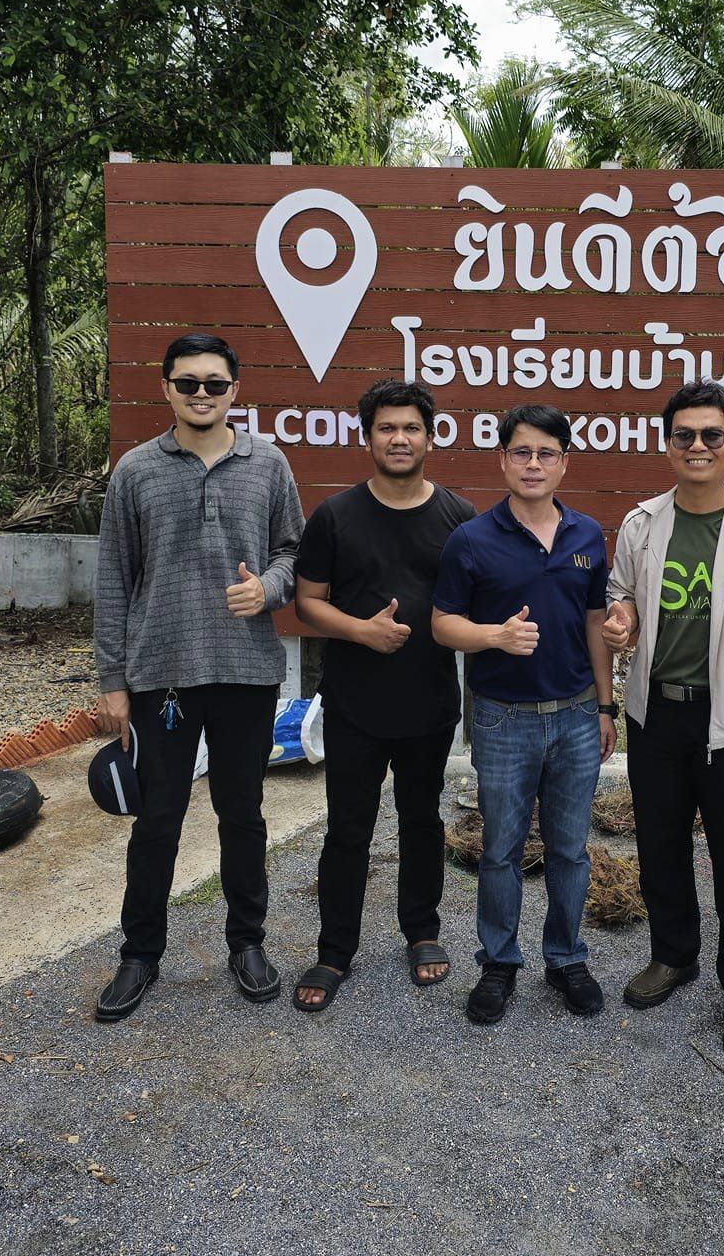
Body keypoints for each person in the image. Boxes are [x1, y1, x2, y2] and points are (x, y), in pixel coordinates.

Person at [92, 332, 304, 1023]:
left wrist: (269, 588)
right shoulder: (135, 472)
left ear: (235, 390)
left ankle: (248, 943)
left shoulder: (268, 464)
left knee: (242, 816)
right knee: (157, 820)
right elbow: (113, 578)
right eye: (188, 383)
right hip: (162, 675)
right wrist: (113, 679)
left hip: (246, 672)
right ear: (167, 389)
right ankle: (140, 954)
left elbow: (292, 551)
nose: (202, 394)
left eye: (215, 383)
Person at [602, 382, 724, 1055]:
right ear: (668, 445)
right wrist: (623, 619)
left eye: (711, 435)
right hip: (656, 713)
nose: (697, 446)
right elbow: (622, 594)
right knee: (660, 845)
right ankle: (673, 954)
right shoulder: (642, 524)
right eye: (683, 435)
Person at [290, 379, 476, 1011]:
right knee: (348, 829)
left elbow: (477, 602)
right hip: (354, 705)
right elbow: (308, 601)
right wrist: (361, 631)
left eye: (411, 428)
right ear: (367, 437)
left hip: (429, 702)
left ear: (431, 437)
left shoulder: (459, 517)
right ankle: (334, 949)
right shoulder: (335, 516)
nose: (400, 439)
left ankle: (421, 930)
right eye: (387, 428)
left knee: (423, 821)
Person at [433, 404, 616, 1024]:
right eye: (521, 452)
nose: (533, 464)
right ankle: (499, 962)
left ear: (564, 463)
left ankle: (566, 958)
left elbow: (595, 623)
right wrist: (495, 637)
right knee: (500, 849)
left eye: (546, 453)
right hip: (502, 718)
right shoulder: (472, 539)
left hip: (575, 716)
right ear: (503, 460)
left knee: (570, 849)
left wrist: (605, 705)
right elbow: (442, 623)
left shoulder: (586, 535)